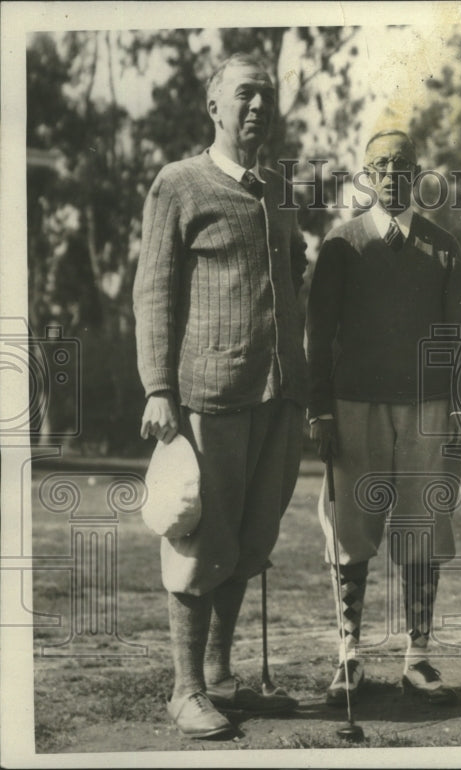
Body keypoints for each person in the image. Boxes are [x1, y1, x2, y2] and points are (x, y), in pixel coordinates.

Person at [133, 53, 306, 739]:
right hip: (209, 394)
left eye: (266, 94)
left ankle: (224, 679)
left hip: (278, 397)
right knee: (201, 540)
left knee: (248, 543)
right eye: (244, 95)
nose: (257, 106)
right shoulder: (179, 184)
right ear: (214, 107)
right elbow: (152, 293)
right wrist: (157, 388)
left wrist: (303, 388)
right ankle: (185, 688)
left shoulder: (279, 191)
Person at [307, 129, 461, 708]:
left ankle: (418, 655)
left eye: (402, 163)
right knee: (351, 531)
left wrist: (460, 408)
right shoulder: (342, 244)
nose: (391, 173)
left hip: (427, 409)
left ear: (418, 171)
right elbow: (318, 334)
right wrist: (321, 408)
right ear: (365, 174)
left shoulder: (443, 246)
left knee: (422, 530)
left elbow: (460, 336)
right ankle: (349, 654)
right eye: (380, 164)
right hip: (354, 405)